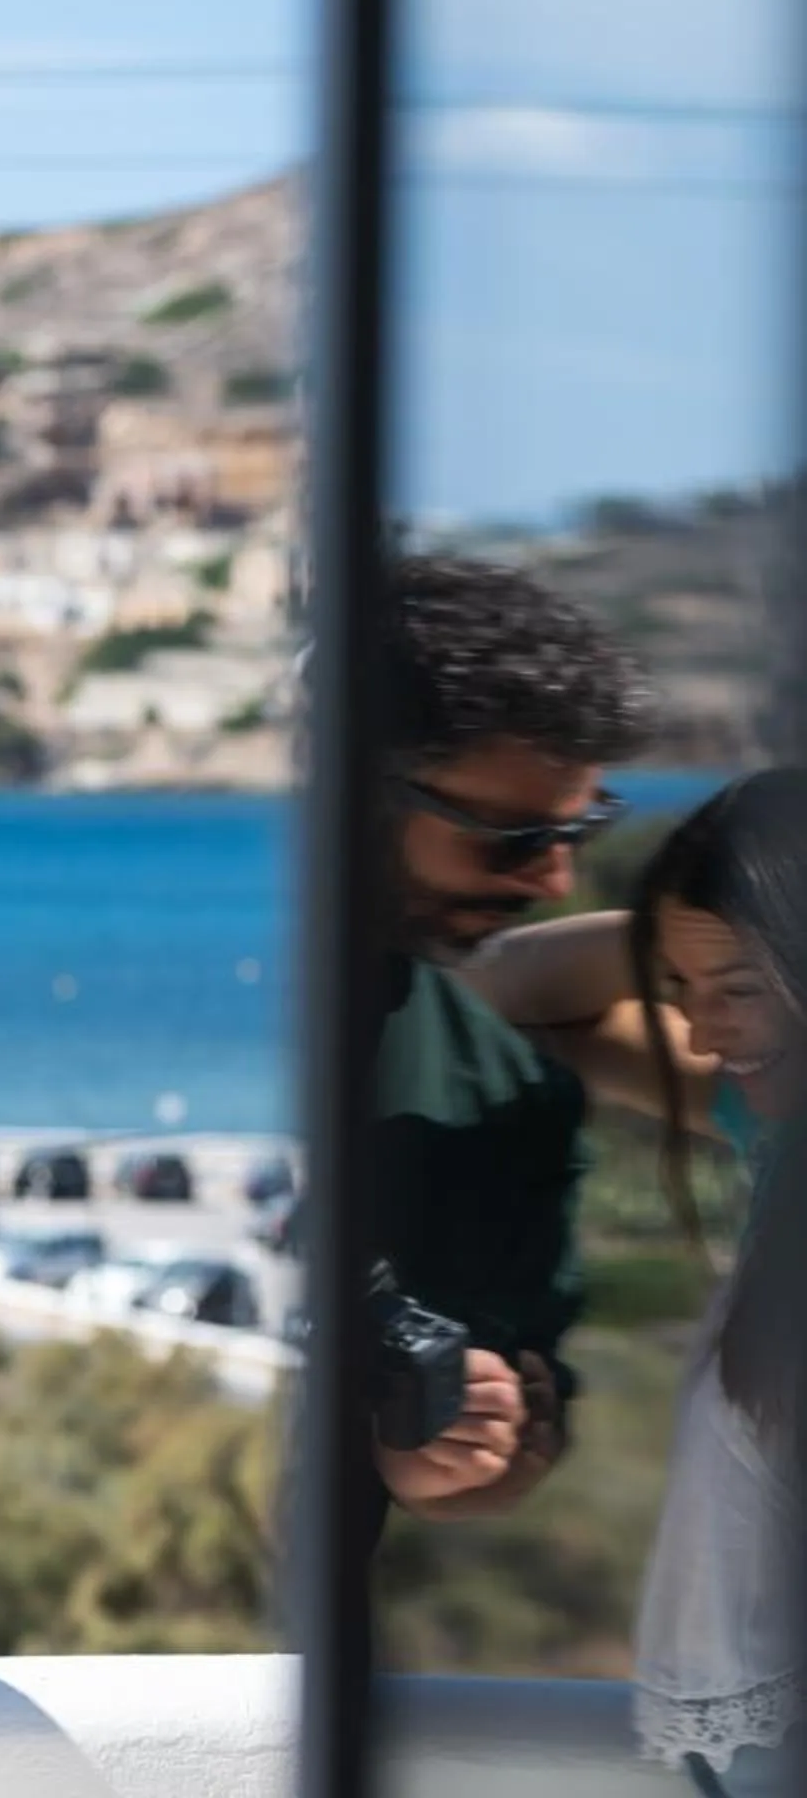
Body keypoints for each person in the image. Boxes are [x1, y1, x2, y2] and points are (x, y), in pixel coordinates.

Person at [458, 769, 807, 1796]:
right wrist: (691, 926)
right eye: (682, 991)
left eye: (735, 989)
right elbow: (498, 998)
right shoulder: (777, 1131)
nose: (700, 1033)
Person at [361, 555, 651, 1536]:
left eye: (583, 829)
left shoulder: (508, 1091)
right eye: (514, 838)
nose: (559, 881)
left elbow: (521, 1417)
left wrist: (471, 1452)